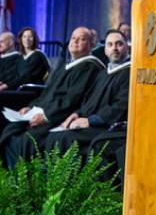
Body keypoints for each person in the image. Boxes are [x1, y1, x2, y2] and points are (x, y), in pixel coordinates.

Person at [0, 26, 104, 168]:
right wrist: (30, 107)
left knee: (28, 140)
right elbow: (47, 93)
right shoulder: (65, 66)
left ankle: (29, 184)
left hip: (59, 117)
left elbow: (72, 100)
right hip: (43, 112)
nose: (75, 41)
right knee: (10, 130)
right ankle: (13, 179)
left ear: (91, 45)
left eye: (82, 39)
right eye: (73, 38)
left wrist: (46, 116)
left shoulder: (89, 67)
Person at [39, 30, 131, 163]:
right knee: (55, 136)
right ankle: (52, 182)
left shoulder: (130, 72)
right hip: (92, 124)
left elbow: (120, 106)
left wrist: (90, 121)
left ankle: (66, 183)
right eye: (110, 45)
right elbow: (89, 100)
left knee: (64, 138)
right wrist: (76, 114)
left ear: (127, 47)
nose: (114, 48)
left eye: (119, 44)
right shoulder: (104, 73)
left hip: (107, 126)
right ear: (105, 50)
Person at [0, 27, 50, 91]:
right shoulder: (21, 58)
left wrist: (5, 86)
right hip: (21, 89)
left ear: (34, 39)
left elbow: (26, 76)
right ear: (21, 39)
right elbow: (10, 74)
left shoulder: (38, 56)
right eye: (24, 37)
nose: (27, 39)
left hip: (33, 90)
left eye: (30, 37)